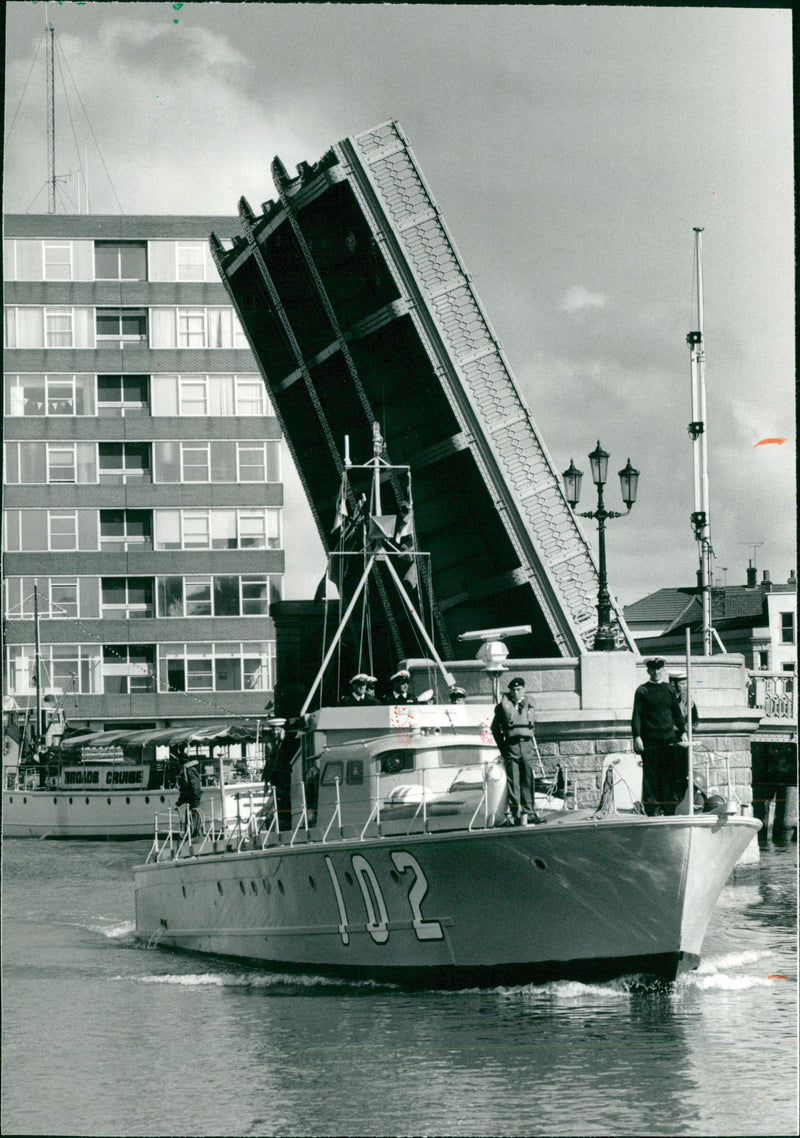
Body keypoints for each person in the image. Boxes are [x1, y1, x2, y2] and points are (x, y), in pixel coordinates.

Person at [632, 658, 688, 816]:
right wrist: (637, 737)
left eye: (659, 669)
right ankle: (653, 809)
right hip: (650, 741)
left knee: (669, 775)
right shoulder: (642, 690)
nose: (656, 672)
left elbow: (677, 713)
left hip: (668, 740)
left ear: (663, 670)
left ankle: (669, 808)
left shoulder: (668, 690)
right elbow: (636, 715)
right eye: (652, 669)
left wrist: (683, 731)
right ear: (648, 671)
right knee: (651, 777)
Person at [491, 677, 542, 825]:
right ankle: (515, 814)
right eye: (513, 689)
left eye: (519, 689)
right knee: (514, 782)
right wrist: (503, 747)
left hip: (526, 746)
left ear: (524, 690)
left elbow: (532, 725)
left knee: (528, 779)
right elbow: (495, 729)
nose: (516, 692)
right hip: (511, 746)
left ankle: (530, 813)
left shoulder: (530, 705)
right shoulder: (502, 708)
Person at [175, 754, 203, 835]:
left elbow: (191, 787)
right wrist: (179, 802)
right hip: (192, 800)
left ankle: (194, 836)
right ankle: (192, 835)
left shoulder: (188, 771)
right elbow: (186, 789)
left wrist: (179, 802)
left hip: (193, 801)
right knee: (191, 817)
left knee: (193, 817)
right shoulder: (189, 770)